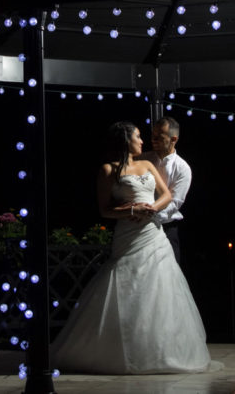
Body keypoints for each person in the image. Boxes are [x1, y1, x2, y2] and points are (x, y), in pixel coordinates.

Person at [50, 121, 211, 374]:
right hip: (127, 233)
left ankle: (162, 350)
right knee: (127, 285)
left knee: (161, 289)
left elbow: (170, 196)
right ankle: (118, 348)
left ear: (173, 139)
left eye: (156, 136)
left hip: (154, 232)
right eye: (139, 136)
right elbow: (104, 209)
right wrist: (132, 210)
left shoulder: (158, 166)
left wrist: (150, 211)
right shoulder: (109, 169)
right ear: (126, 140)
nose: (145, 140)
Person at [142, 115, 192, 266]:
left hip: (167, 228)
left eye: (159, 136)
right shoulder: (143, 159)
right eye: (153, 135)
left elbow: (175, 202)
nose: (153, 139)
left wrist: (152, 216)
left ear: (173, 139)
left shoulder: (182, 168)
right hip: (140, 226)